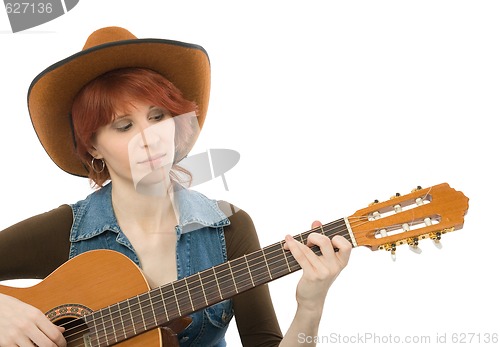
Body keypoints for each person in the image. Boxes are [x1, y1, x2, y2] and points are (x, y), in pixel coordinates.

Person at [0, 26, 351, 347]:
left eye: (157, 117)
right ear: (93, 146)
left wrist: (310, 305)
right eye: (123, 126)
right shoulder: (65, 231)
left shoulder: (229, 228)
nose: (149, 140)